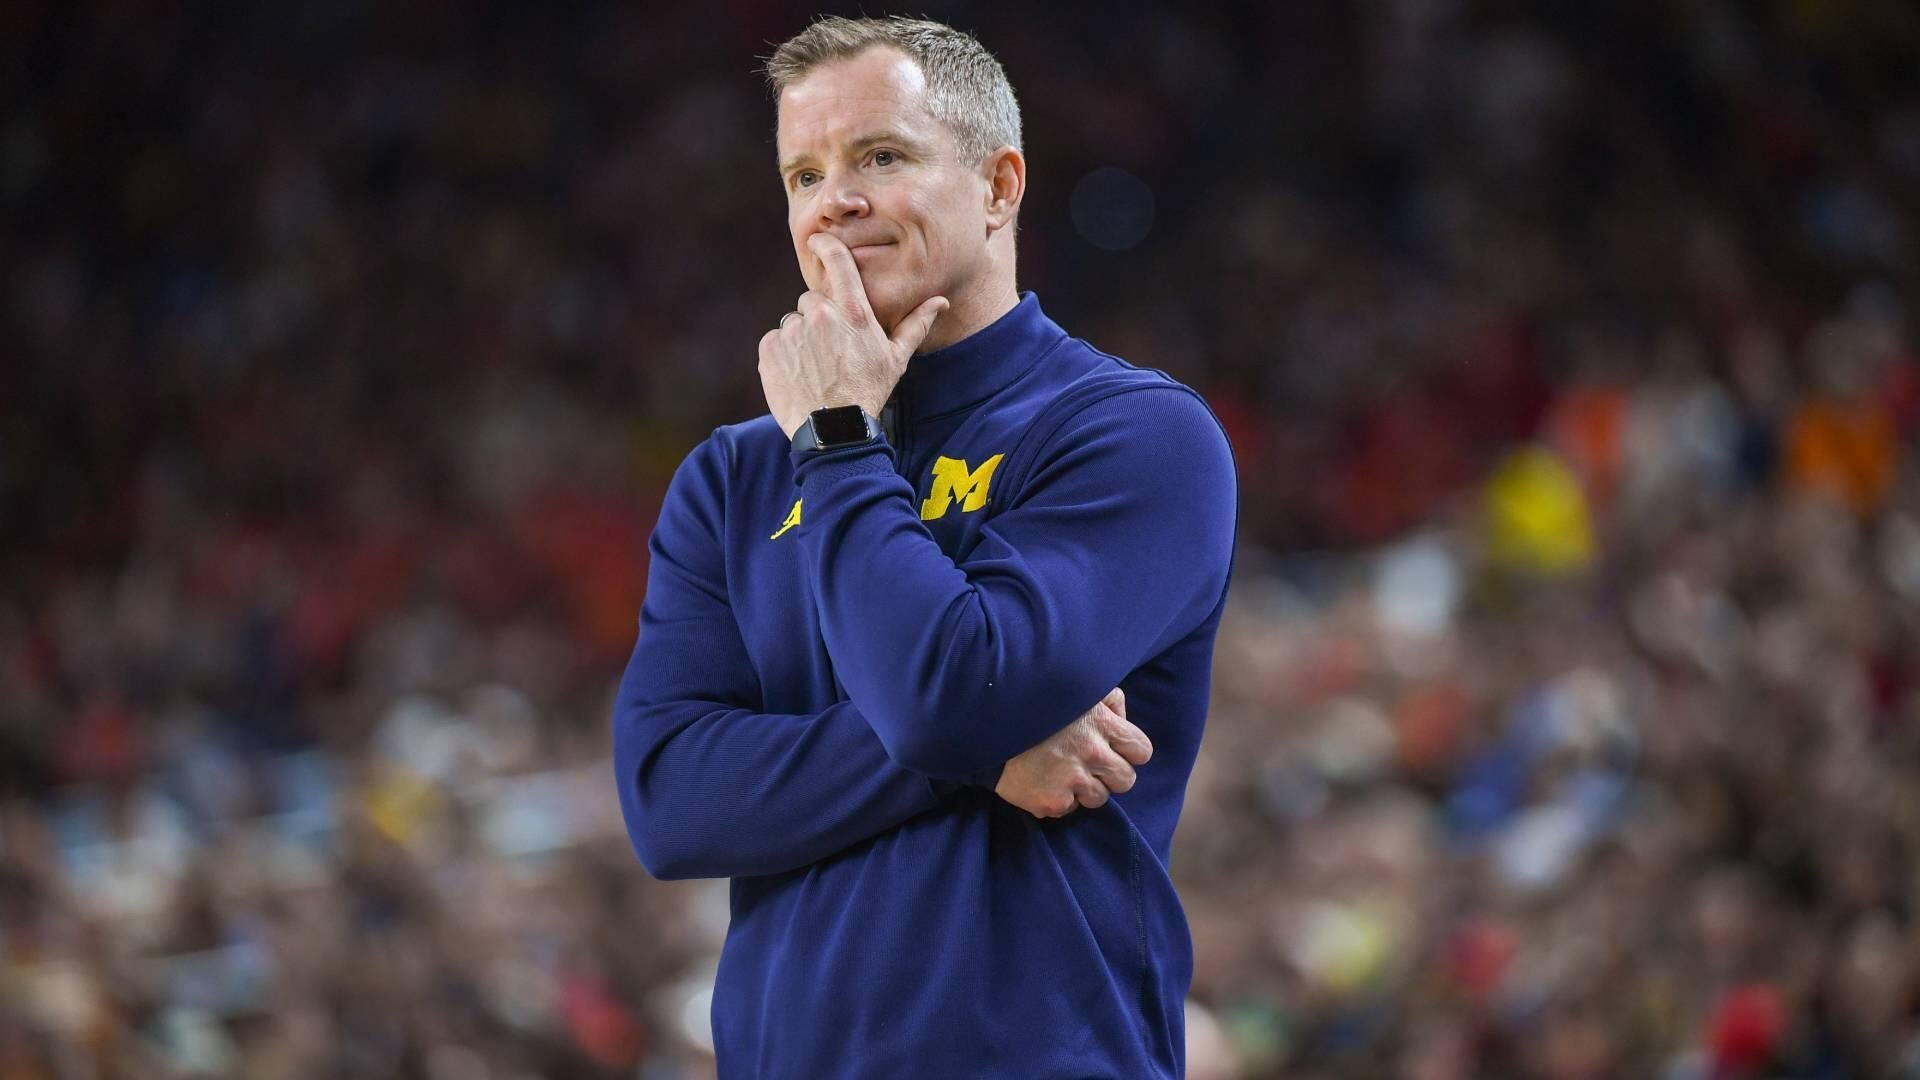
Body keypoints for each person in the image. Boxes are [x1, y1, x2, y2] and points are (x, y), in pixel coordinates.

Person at [611, 15, 1236, 1078]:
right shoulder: (732, 478)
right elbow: (670, 800)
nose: (834, 201)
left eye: (880, 157)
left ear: (999, 185)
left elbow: (947, 693)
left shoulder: (1135, 435)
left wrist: (836, 440)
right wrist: (984, 755)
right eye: (804, 175)